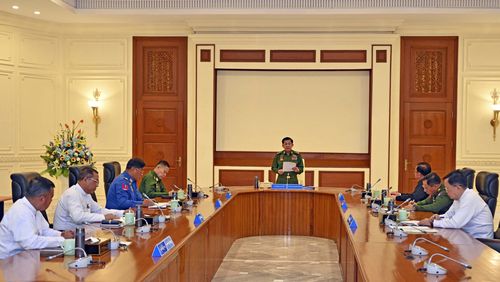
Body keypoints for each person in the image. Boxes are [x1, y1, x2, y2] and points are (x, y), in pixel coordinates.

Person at [0, 176, 74, 259]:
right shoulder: (21, 211)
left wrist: (61, 234)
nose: (51, 200)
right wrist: (62, 241)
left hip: (26, 256)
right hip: (9, 261)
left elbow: (44, 231)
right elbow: (30, 243)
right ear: (42, 199)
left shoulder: (33, 208)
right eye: (51, 198)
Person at [419, 170, 494, 239]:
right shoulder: (459, 197)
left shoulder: (470, 198)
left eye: (447, 189)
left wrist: (432, 223)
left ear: (458, 187)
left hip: (480, 241)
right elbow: (449, 214)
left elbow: (455, 223)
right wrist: (439, 217)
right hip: (466, 237)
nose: (446, 191)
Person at [53, 166, 123, 230]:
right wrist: (104, 217)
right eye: (96, 181)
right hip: (65, 234)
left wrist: (122, 213)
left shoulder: (86, 194)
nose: (97, 185)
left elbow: (99, 210)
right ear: (86, 179)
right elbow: (78, 217)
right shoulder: (72, 193)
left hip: (80, 230)